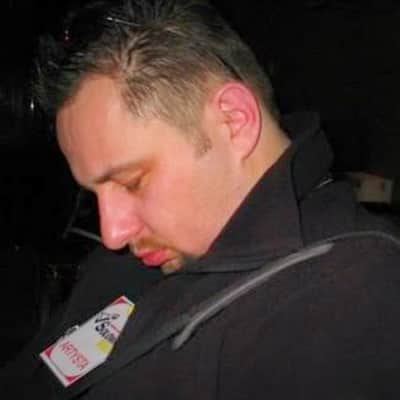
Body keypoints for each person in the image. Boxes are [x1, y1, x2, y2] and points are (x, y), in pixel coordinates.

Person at [2, 0, 400, 398]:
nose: (112, 234)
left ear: (233, 121)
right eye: (94, 193)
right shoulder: (151, 253)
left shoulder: (352, 297)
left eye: (132, 182)